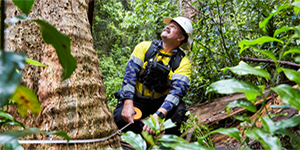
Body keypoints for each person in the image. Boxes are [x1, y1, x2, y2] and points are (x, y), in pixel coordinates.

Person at [113, 16, 193, 135]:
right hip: (138, 100)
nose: (167, 27)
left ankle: (166, 143)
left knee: (179, 113)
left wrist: (159, 115)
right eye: (168, 25)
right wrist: (128, 103)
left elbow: (177, 92)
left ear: (181, 37)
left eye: (173, 27)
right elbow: (130, 76)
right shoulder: (144, 47)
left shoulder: (183, 62)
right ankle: (145, 134)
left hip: (161, 103)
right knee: (120, 117)